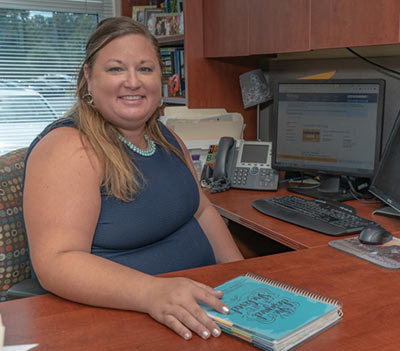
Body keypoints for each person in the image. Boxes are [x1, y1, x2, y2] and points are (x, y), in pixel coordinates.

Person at [23, 16, 244, 341]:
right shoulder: (69, 147)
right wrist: (153, 293)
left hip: (200, 311)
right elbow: (57, 261)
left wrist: (241, 278)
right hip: (122, 324)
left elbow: (202, 210)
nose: (132, 81)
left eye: (145, 68)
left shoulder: (166, 136)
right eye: (115, 69)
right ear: (88, 76)